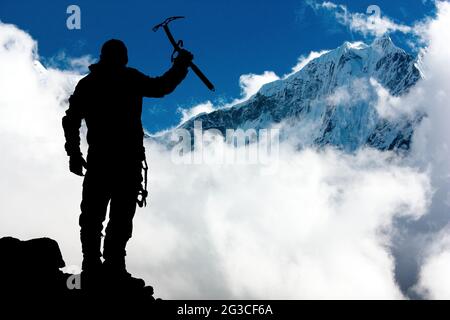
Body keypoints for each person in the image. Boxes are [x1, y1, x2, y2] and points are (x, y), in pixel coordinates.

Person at [62, 39, 192, 288]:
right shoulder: (129, 78)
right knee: (119, 217)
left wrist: (74, 154)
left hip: (100, 160)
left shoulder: (89, 84)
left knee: (93, 216)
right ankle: (113, 267)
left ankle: (92, 266)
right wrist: (181, 65)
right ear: (122, 57)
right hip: (126, 161)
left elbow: (71, 120)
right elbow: (161, 87)